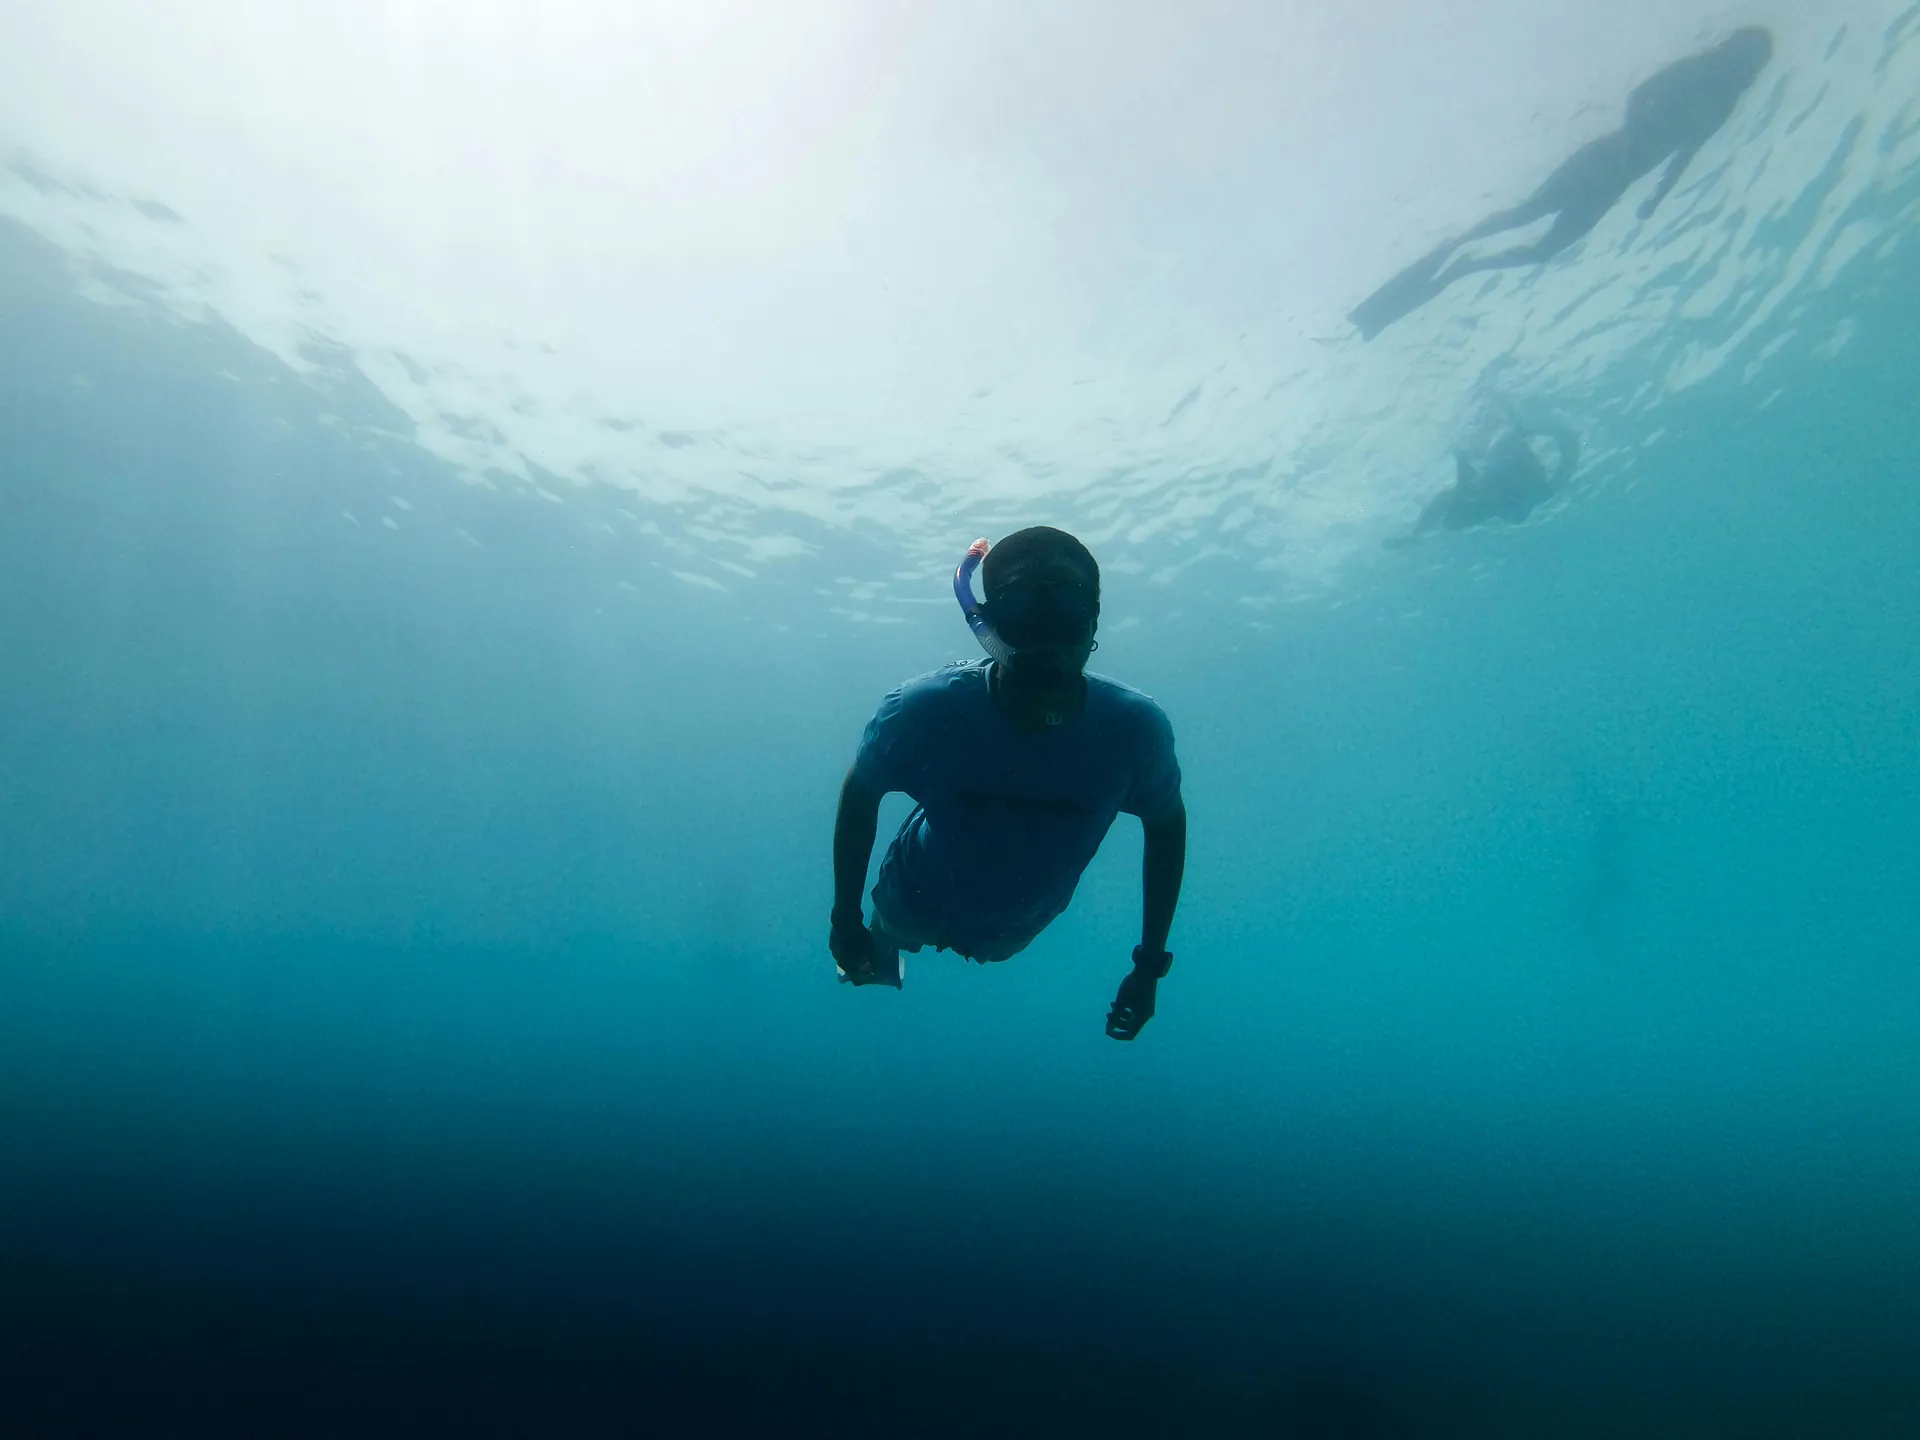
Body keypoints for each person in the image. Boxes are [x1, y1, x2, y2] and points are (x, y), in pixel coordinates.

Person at [829, 527, 1187, 1041]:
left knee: (975, 945)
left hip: (1010, 930)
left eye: (1063, 612)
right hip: (914, 891)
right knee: (885, 943)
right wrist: (846, 921)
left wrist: (1151, 965)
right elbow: (861, 790)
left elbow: (1167, 825)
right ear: (990, 624)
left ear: (1091, 624)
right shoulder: (925, 711)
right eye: (1024, 614)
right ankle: (881, 959)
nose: (1046, 643)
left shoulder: (1134, 732)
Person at [1350, 26, 1775, 340]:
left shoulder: (1725, 103)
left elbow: (1687, 155)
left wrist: (1658, 195)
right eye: (1750, 58)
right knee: (1524, 215)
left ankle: (1465, 266)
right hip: (1599, 161)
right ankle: (1456, 245)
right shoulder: (1697, 70)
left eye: (1753, 64)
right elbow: (1640, 94)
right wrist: (1631, 133)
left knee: (1545, 250)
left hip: (1614, 186)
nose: (1747, 69)